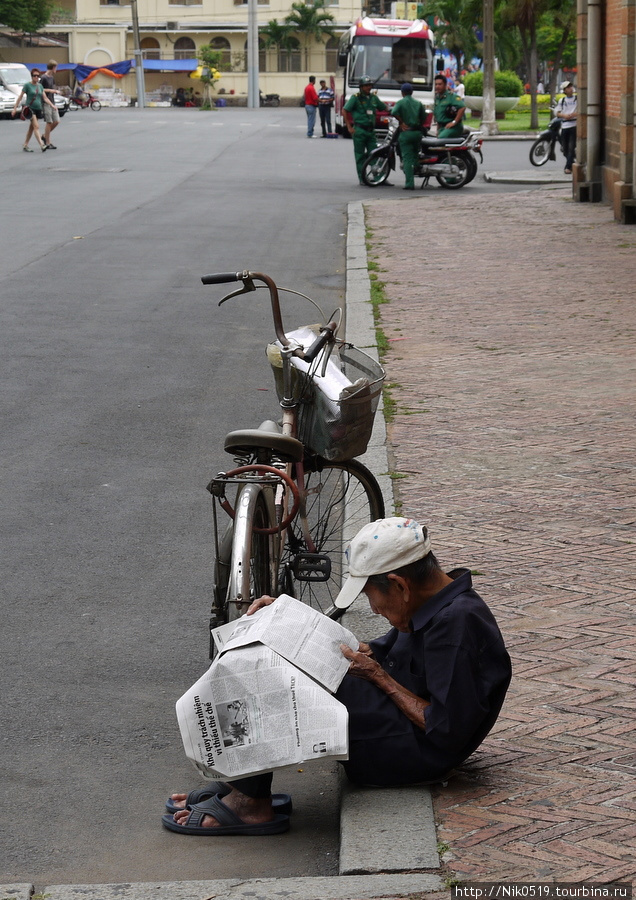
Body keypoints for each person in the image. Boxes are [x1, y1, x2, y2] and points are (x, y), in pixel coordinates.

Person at [163, 517, 512, 836]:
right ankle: (244, 784)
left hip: (415, 752)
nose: (374, 609)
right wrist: (288, 618)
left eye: (372, 597)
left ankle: (251, 804)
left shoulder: (457, 625)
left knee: (274, 678)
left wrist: (381, 679)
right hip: (398, 721)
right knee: (267, 653)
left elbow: (445, 728)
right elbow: (375, 651)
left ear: (399, 586)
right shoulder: (430, 602)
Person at [343, 75, 389, 185]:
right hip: (359, 130)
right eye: (366, 85)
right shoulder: (356, 98)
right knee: (359, 155)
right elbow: (344, 110)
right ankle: (362, 179)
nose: (369, 87)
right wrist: (349, 127)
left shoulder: (373, 98)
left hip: (370, 131)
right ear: (361, 87)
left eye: (370, 85)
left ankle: (379, 177)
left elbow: (384, 107)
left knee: (374, 154)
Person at [391, 83, 427, 190]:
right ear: (412, 92)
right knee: (415, 154)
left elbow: (393, 112)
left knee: (406, 158)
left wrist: (401, 122)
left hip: (406, 133)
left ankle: (409, 183)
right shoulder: (418, 103)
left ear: (402, 93)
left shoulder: (401, 102)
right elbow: (424, 117)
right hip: (417, 133)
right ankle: (417, 168)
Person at [11, 68, 56, 152]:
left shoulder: (40, 86)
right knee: (36, 126)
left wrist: (52, 105)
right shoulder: (27, 85)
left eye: (37, 76)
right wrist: (15, 108)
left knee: (31, 128)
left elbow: (45, 98)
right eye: (34, 76)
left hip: (38, 109)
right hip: (30, 109)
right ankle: (42, 145)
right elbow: (20, 97)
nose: (36, 77)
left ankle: (25, 144)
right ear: (31, 76)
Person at [433, 73, 465, 138]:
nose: (437, 86)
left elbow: (462, 107)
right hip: (442, 127)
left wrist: (454, 122)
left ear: (445, 85)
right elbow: (439, 116)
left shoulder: (451, 96)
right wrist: (438, 129)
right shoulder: (437, 98)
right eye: (436, 84)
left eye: (440, 84)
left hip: (453, 127)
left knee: (441, 139)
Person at [557, 80, 577, 175]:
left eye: (571, 87)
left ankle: (568, 167)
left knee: (571, 147)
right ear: (564, 90)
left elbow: (582, 110)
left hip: (574, 125)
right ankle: (572, 162)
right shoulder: (562, 100)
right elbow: (557, 113)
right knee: (565, 148)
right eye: (568, 87)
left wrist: (574, 114)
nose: (570, 89)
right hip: (565, 126)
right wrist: (564, 116)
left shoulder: (577, 99)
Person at [40, 60, 60, 150]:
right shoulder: (43, 77)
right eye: (56, 67)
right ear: (53, 67)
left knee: (56, 121)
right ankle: (48, 142)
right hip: (45, 102)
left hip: (52, 101)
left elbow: (53, 87)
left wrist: (56, 91)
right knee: (49, 122)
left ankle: (44, 135)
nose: (56, 69)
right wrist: (51, 90)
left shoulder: (52, 78)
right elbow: (40, 89)